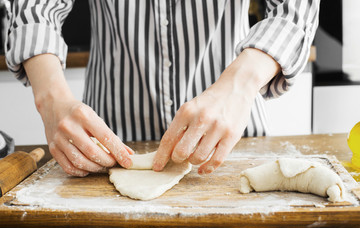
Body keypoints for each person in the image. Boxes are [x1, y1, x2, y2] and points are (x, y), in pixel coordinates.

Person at [5, 0, 319, 176]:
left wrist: (239, 85)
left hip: (230, 146)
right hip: (103, 146)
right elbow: (34, 10)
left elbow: (294, 10)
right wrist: (50, 97)